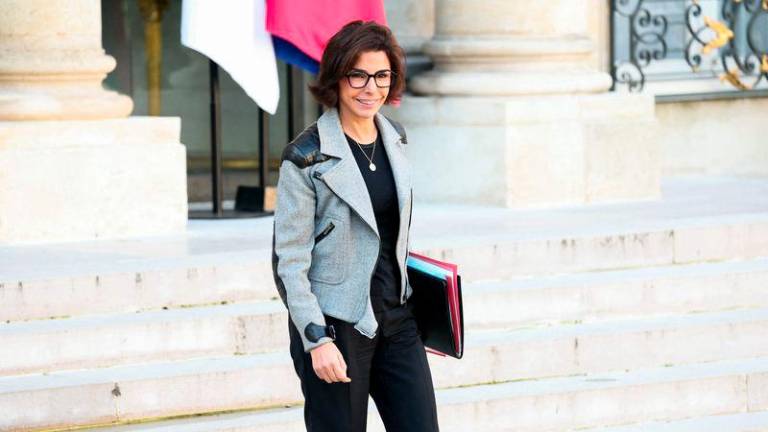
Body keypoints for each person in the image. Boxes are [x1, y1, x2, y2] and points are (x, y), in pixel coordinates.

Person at [271, 20, 440, 432]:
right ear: (337, 77)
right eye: (358, 75)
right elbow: (288, 261)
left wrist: (426, 313)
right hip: (338, 323)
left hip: (397, 317)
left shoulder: (394, 138)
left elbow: (391, 234)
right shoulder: (307, 156)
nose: (371, 88)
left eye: (382, 76)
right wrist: (317, 339)